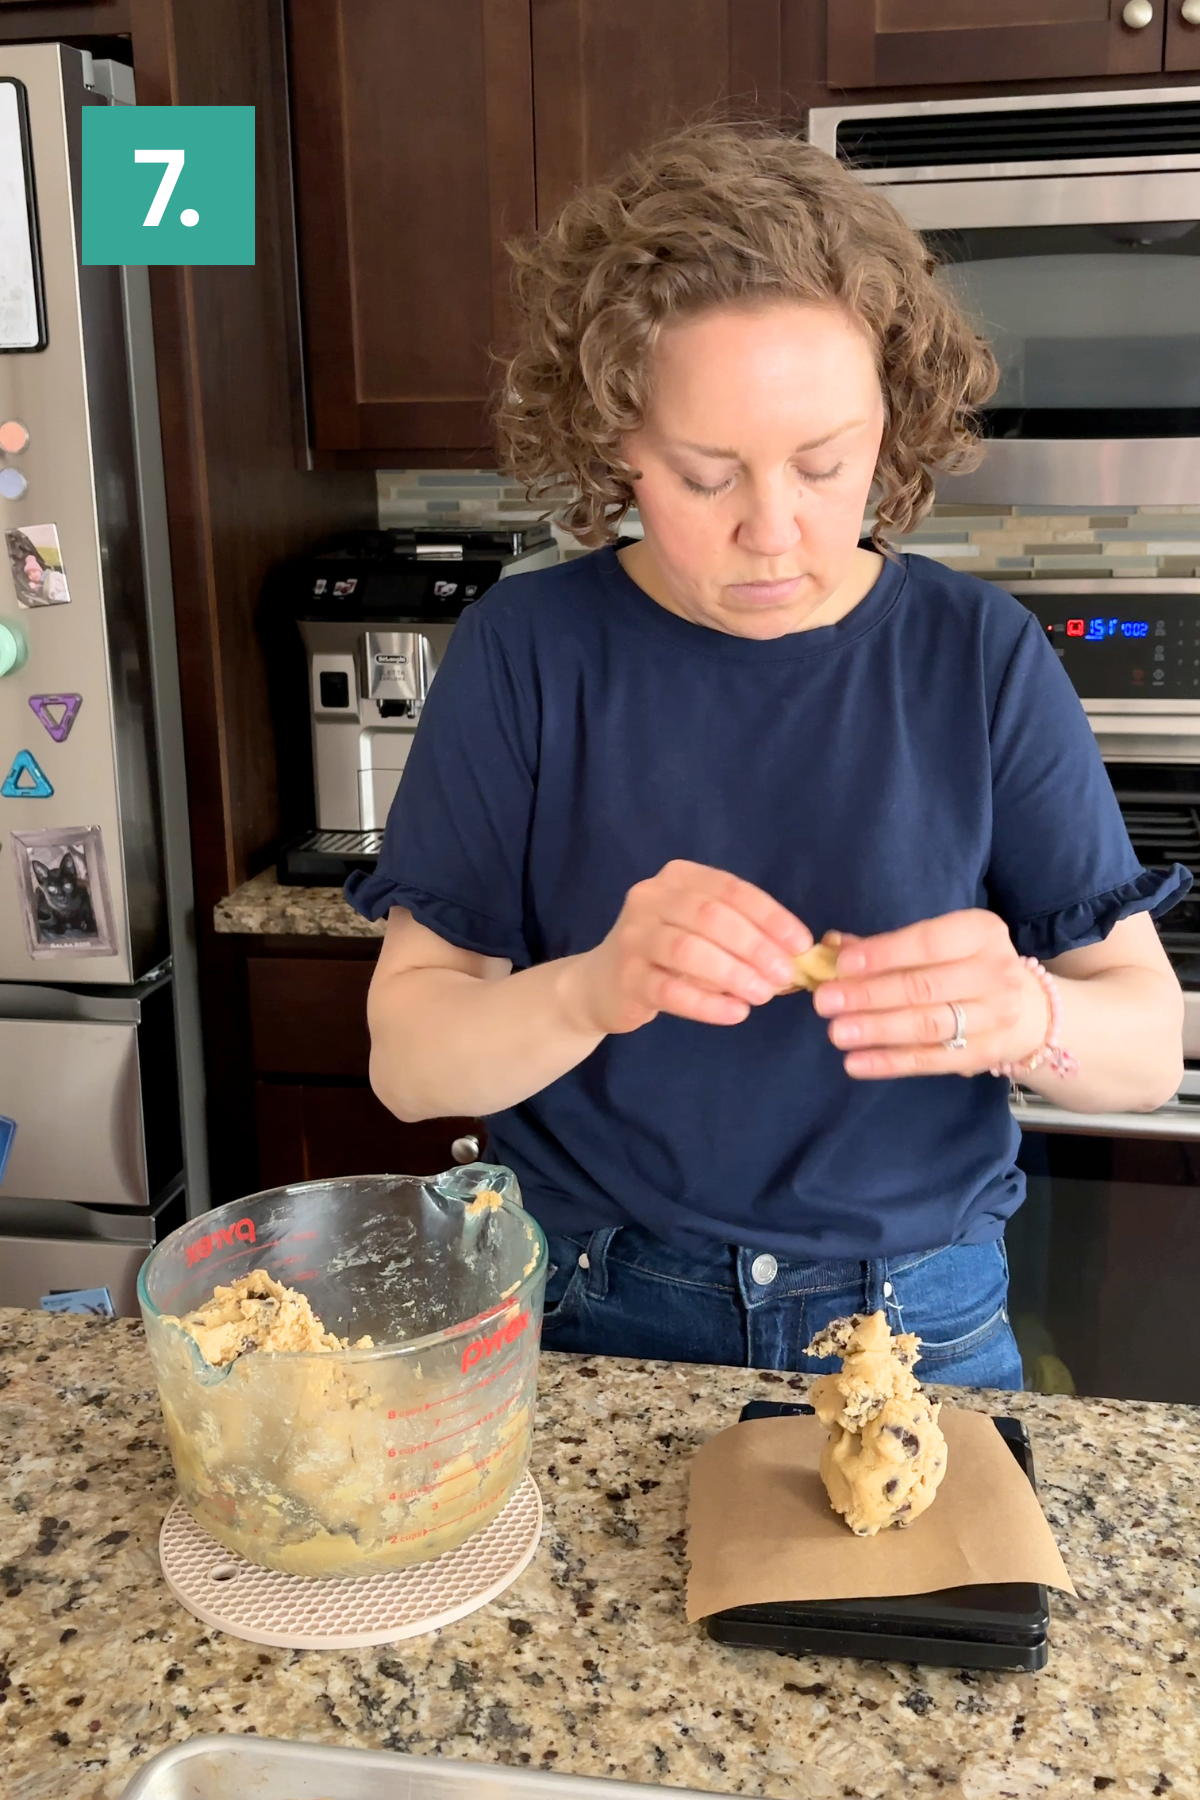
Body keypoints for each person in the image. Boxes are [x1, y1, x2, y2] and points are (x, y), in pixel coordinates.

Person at [348, 124, 1188, 1387]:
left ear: (890, 425)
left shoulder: (978, 654)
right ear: (618, 439)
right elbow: (409, 1064)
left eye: (825, 464)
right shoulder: (526, 650)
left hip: (918, 1323)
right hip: (596, 1304)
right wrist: (592, 988)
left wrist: (1029, 1014)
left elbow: (1144, 1045)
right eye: (705, 477)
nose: (774, 531)